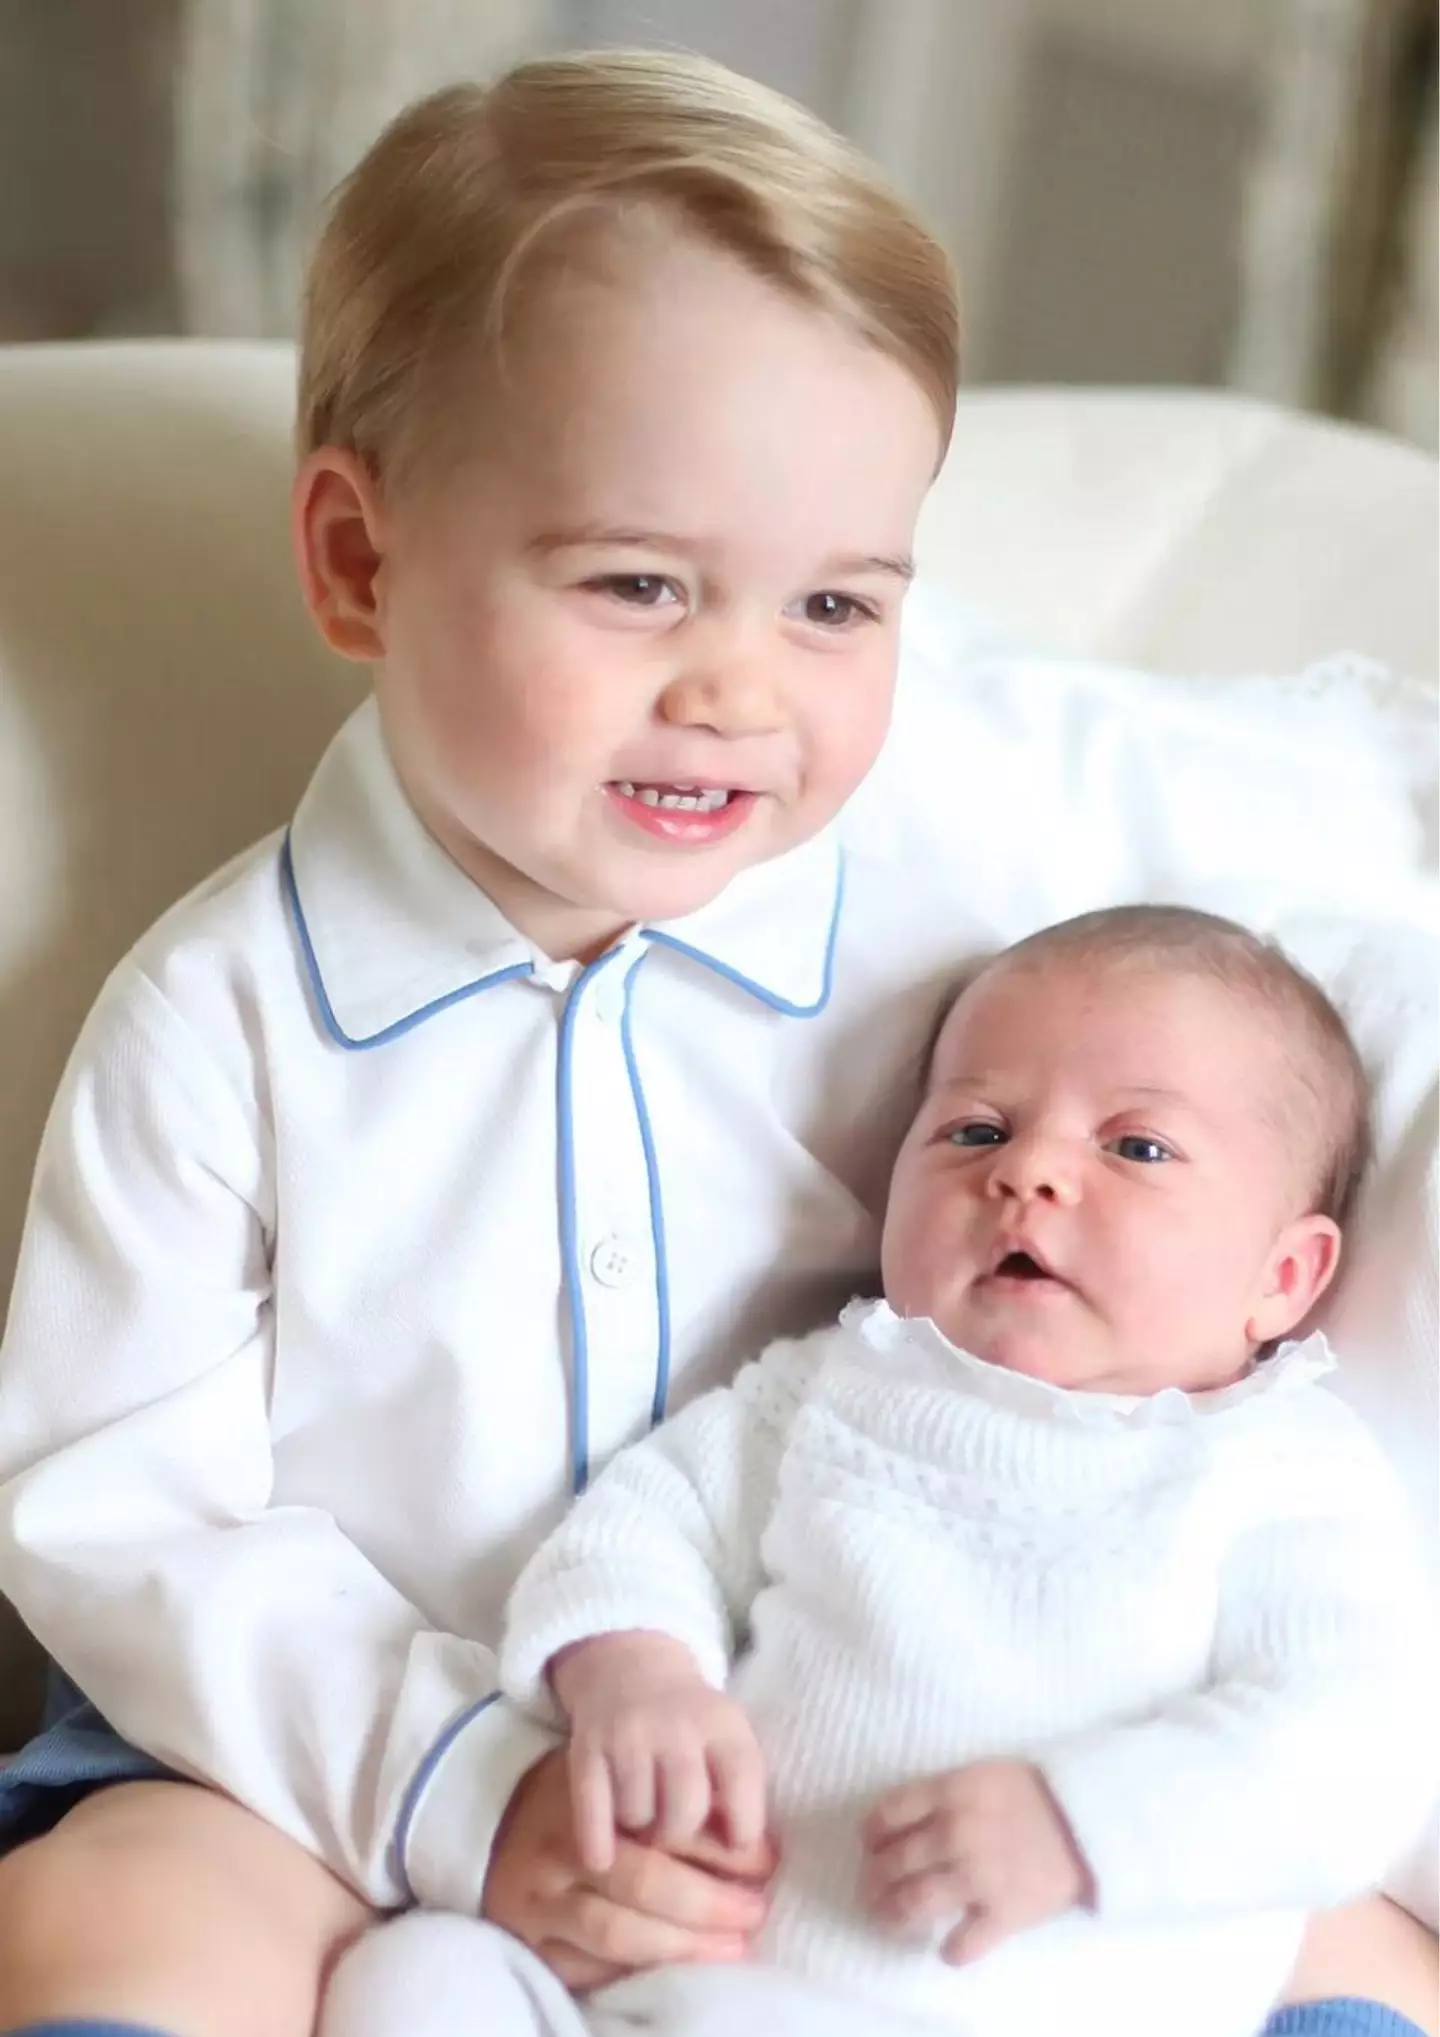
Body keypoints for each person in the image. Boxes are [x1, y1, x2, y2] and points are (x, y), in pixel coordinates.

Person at [0, 46, 1431, 2037]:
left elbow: (1294, 876)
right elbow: (122, 1509)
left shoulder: (961, 907)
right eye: (641, 583)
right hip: (328, 1753)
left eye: (836, 604)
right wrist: (467, 1791)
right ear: (359, 558)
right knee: (114, 1915)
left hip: (879, 1740)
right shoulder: (221, 1017)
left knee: (1353, 1934)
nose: (739, 689)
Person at [326, 906, 1432, 2037]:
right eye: (975, 1130)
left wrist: (1082, 1826)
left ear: (1284, 1277)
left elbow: (1353, 1750)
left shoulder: (1281, 1472)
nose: (1031, 1171)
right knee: (416, 1975)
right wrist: (635, 1676)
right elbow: (643, 1525)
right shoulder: (831, 1389)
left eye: (1135, 1148)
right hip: (684, 1996)